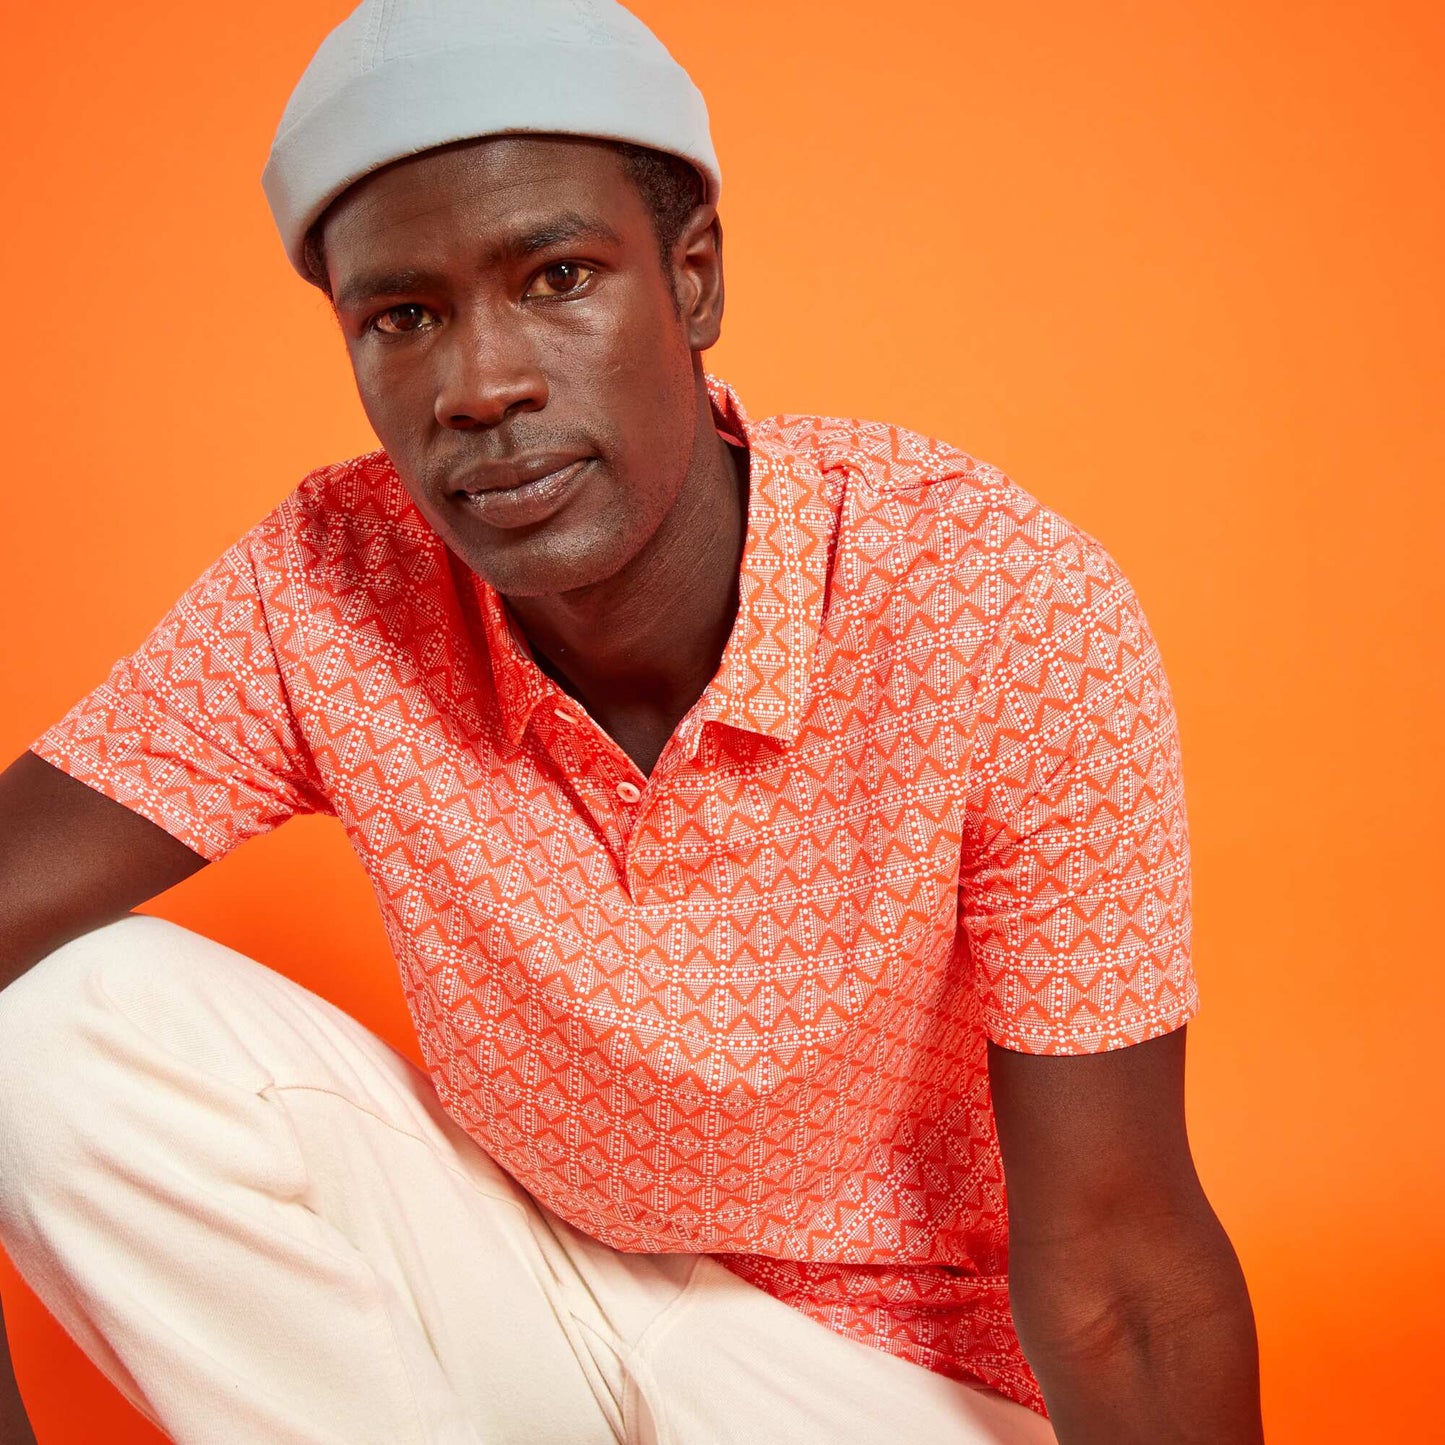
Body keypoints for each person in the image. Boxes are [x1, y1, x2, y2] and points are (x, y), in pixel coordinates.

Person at [0, 1, 1263, 1441]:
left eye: (557, 277)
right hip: (536, 1294)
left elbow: (1123, 1268)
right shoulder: (333, 579)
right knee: (50, 1031)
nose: (481, 386)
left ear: (693, 277)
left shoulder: (994, 602)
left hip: (883, 1380)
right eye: (403, 318)